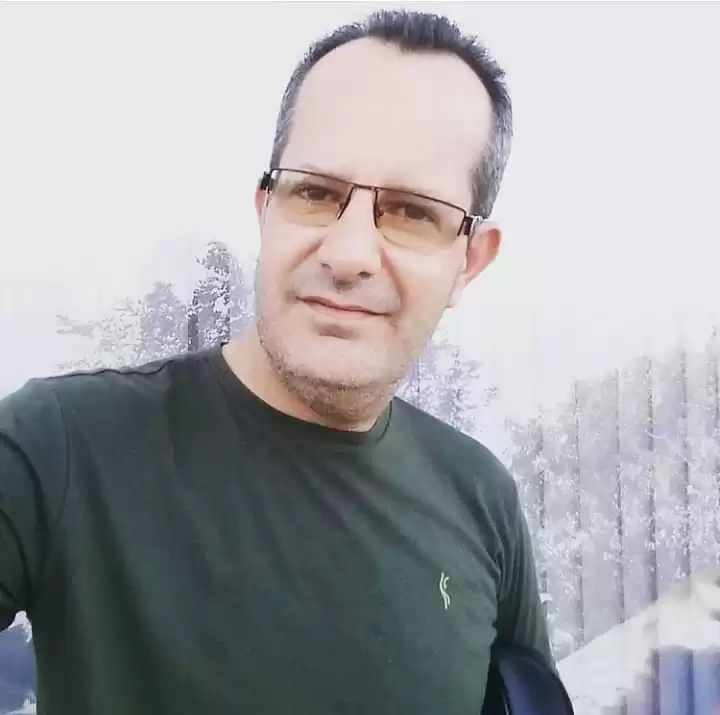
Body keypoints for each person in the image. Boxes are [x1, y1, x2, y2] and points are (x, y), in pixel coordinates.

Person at [0, 9, 553, 714]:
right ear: (266, 209)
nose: (348, 254)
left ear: (469, 260)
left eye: (413, 211)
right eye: (315, 192)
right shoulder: (61, 447)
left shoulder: (483, 501)